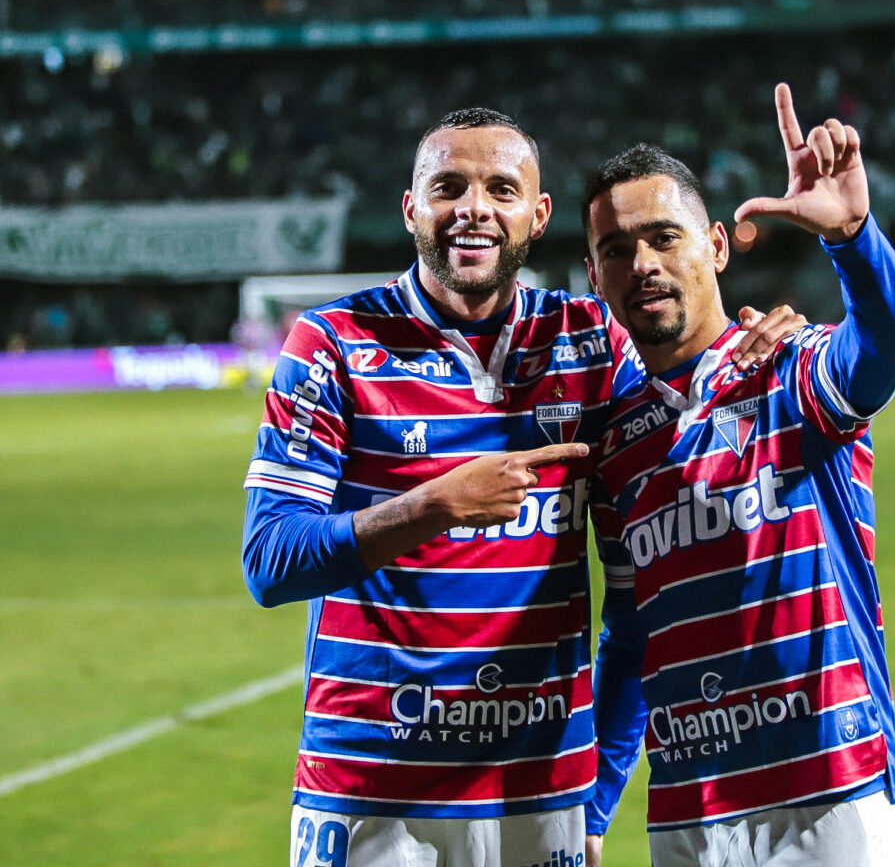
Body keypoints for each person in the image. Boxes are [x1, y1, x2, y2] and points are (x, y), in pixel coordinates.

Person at [241, 107, 803, 867]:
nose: (473, 208)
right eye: (448, 187)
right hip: (373, 789)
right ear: (411, 209)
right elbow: (271, 561)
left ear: (536, 216)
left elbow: (638, 597)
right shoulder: (333, 343)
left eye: (501, 189)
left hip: (542, 798)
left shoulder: (590, 343)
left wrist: (754, 362)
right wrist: (434, 505)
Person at [582, 85, 895, 866]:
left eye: (664, 237)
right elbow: (633, 633)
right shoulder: (616, 449)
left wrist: (852, 238)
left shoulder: (790, 370)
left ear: (715, 246)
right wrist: (594, 807)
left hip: (831, 792)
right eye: (616, 249)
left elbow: (891, 344)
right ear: (595, 276)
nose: (643, 264)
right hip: (688, 812)